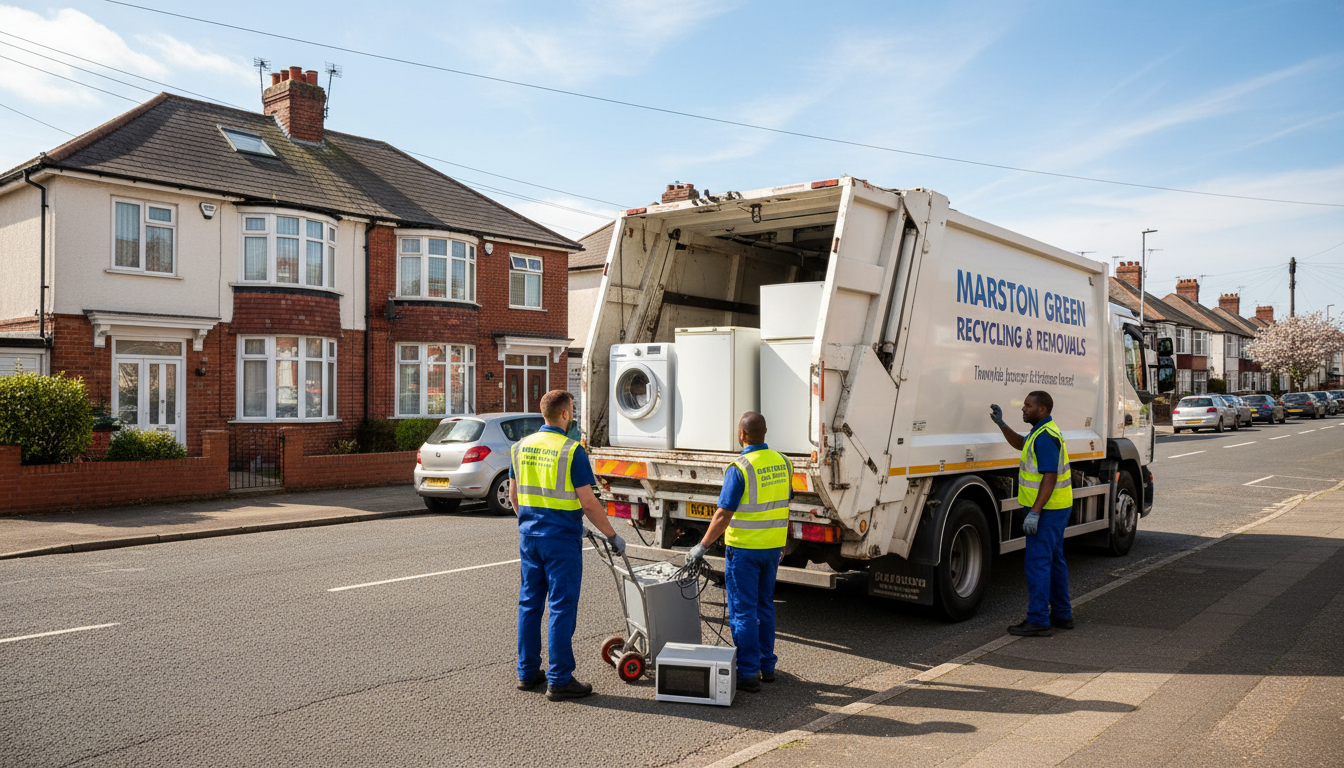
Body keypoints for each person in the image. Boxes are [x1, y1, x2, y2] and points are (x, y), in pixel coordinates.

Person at [511, 389, 626, 700]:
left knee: (530, 605)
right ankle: (560, 679)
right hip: (560, 541)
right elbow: (588, 502)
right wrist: (613, 536)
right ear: (564, 414)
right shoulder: (571, 451)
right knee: (561, 608)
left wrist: (530, 523)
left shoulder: (520, 447)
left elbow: (514, 496)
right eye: (572, 409)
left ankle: (527, 672)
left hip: (530, 538)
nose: (573, 414)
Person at [686, 411, 792, 692]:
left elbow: (723, 514)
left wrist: (702, 546)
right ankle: (767, 667)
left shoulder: (740, 467)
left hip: (745, 551)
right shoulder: (783, 462)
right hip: (772, 550)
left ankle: (747, 673)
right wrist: (781, 542)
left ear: (741, 434)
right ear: (765, 432)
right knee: (764, 606)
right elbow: (783, 503)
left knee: (743, 612)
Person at [990, 391, 1074, 637]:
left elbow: (1050, 476)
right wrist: (1002, 425)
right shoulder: (1040, 432)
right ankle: (1062, 614)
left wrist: (1035, 512)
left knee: (1037, 563)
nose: (1023, 409)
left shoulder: (1046, 437)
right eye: (1024, 404)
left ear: (1043, 410)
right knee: (1055, 561)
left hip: (1048, 510)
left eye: (1028, 405)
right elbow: (1020, 443)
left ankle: (1038, 619)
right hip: (1056, 507)